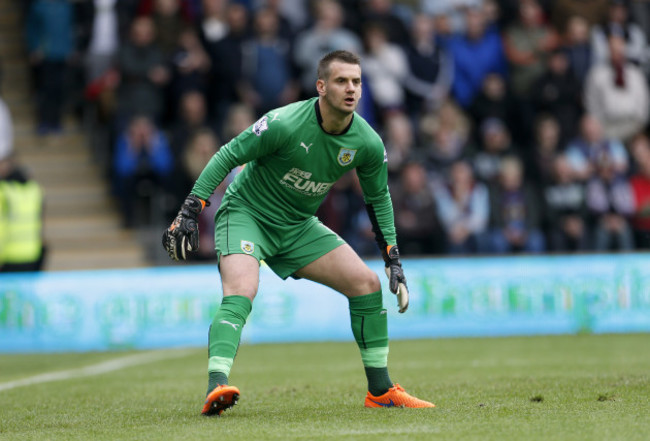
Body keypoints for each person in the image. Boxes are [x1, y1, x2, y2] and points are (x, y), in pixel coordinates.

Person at [162, 50, 435, 415]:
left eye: (356, 81)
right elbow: (227, 154)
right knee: (242, 291)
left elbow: (378, 198)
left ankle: (381, 391)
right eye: (341, 81)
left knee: (366, 285)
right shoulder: (283, 123)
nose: (351, 89)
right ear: (321, 86)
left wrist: (392, 257)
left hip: (297, 225)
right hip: (247, 213)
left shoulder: (367, 142)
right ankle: (217, 385)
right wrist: (192, 207)